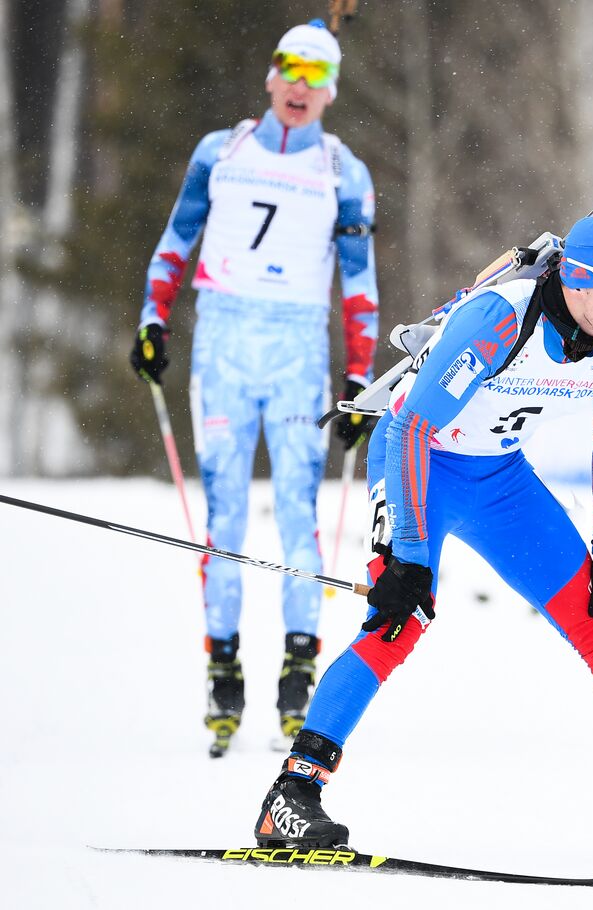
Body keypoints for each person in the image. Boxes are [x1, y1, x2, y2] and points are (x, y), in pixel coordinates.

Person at [251, 213, 593, 851]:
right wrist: (411, 557)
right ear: (582, 282)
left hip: (500, 480)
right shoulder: (500, 320)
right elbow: (409, 430)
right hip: (416, 467)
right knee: (401, 620)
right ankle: (291, 795)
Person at [128, 20, 380, 757]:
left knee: (300, 512)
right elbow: (177, 239)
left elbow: (359, 285)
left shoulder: (344, 171)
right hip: (226, 343)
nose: (299, 87)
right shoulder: (221, 152)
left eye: (316, 75)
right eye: (289, 70)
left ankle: (299, 670)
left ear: (331, 90)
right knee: (226, 513)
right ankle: (223, 667)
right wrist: (153, 320)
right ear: (269, 77)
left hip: (298, 348)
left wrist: (360, 374)